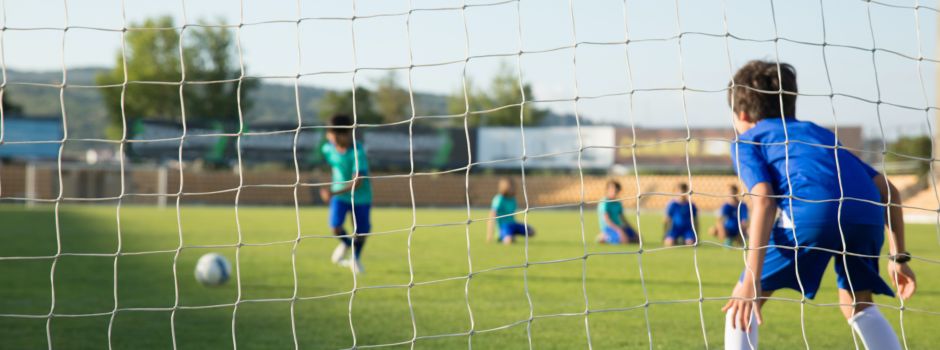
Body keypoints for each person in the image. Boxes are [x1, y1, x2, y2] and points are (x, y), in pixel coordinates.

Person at [721, 60, 916, 350]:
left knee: (742, 304)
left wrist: (751, 279)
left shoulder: (748, 140)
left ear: (742, 113)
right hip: (865, 214)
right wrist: (898, 257)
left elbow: (763, 197)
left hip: (814, 214)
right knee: (858, 304)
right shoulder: (818, 133)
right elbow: (889, 190)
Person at [320, 114, 372, 274]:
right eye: (328, 133)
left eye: (333, 134)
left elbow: (358, 181)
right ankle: (346, 244)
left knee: (362, 232)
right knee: (335, 227)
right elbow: (336, 167)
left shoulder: (357, 151)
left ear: (345, 134)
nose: (329, 137)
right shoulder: (327, 148)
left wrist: (332, 191)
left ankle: (355, 258)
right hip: (340, 196)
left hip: (361, 196)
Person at [486, 178, 535, 245]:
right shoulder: (499, 199)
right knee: (508, 241)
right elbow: (492, 215)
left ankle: (512, 234)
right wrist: (489, 234)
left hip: (513, 224)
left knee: (531, 232)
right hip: (504, 226)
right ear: (504, 187)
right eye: (512, 187)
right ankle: (504, 236)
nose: (514, 188)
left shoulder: (513, 199)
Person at [596, 179, 638, 244]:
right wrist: (619, 230)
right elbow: (607, 219)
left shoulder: (618, 203)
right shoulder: (605, 202)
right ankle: (604, 236)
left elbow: (622, 218)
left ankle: (613, 237)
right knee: (625, 240)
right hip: (608, 227)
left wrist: (632, 229)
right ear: (607, 190)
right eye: (612, 190)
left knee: (637, 239)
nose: (614, 192)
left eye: (616, 190)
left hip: (619, 226)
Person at [663, 182, 699, 246]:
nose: (682, 194)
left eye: (684, 191)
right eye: (680, 191)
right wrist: (665, 234)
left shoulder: (691, 205)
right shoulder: (672, 204)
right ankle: (676, 239)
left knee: (690, 243)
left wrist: (697, 235)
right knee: (669, 243)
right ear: (676, 192)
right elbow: (666, 219)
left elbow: (696, 220)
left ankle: (684, 240)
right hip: (675, 229)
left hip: (687, 229)